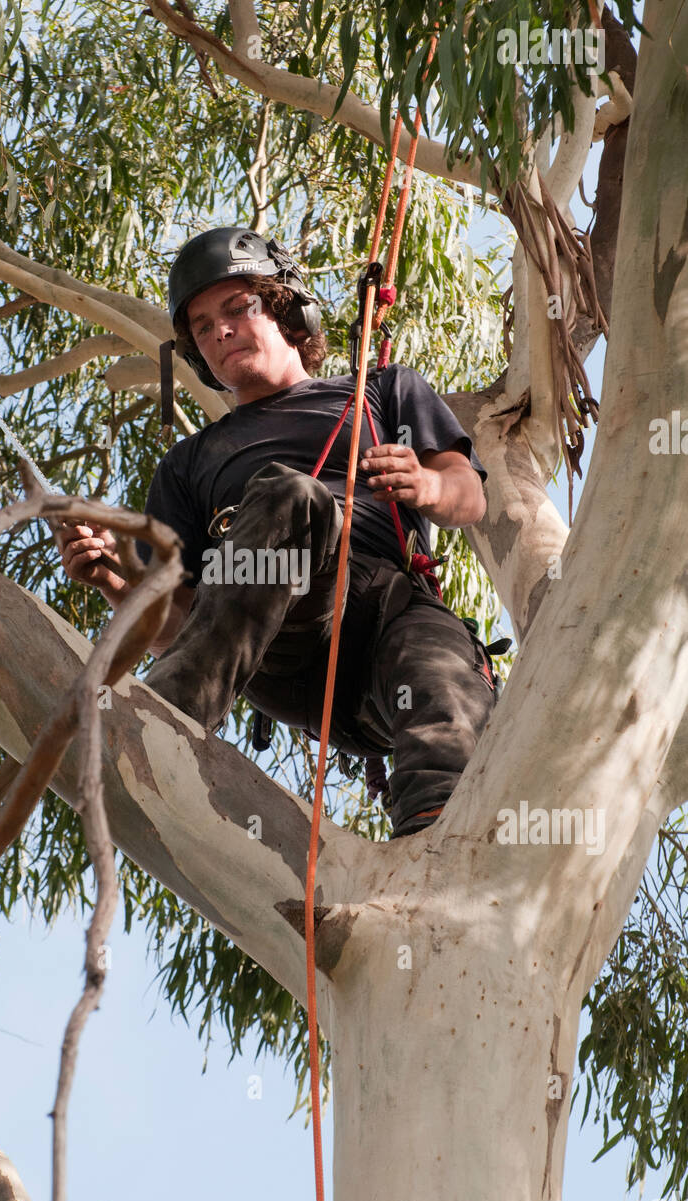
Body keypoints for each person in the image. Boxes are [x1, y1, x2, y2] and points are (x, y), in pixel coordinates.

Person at [58, 227, 498, 836]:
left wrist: (427, 486)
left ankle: (438, 841)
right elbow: (180, 627)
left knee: (445, 687)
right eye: (203, 326)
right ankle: (159, 727)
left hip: (392, 616)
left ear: (287, 308)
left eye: (238, 308)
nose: (220, 331)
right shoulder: (189, 465)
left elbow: (468, 494)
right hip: (284, 647)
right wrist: (117, 579)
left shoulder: (383, 391)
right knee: (290, 495)